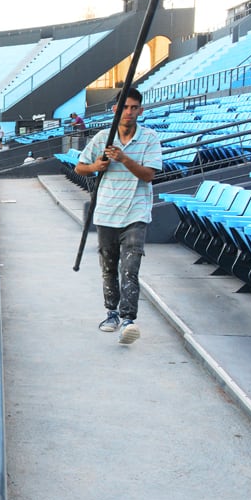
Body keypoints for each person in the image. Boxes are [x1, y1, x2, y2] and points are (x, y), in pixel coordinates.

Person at [74, 88, 162, 345]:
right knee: (109, 267)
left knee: (131, 268)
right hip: (106, 212)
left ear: (141, 111)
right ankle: (111, 312)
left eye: (134, 108)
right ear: (115, 110)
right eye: (125, 107)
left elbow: (149, 175)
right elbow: (81, 168)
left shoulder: (150, 138)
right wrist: (95, 167)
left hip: (136, 211)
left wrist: (124, 159)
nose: (129, 112)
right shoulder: (103, 137)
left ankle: (128, 320)